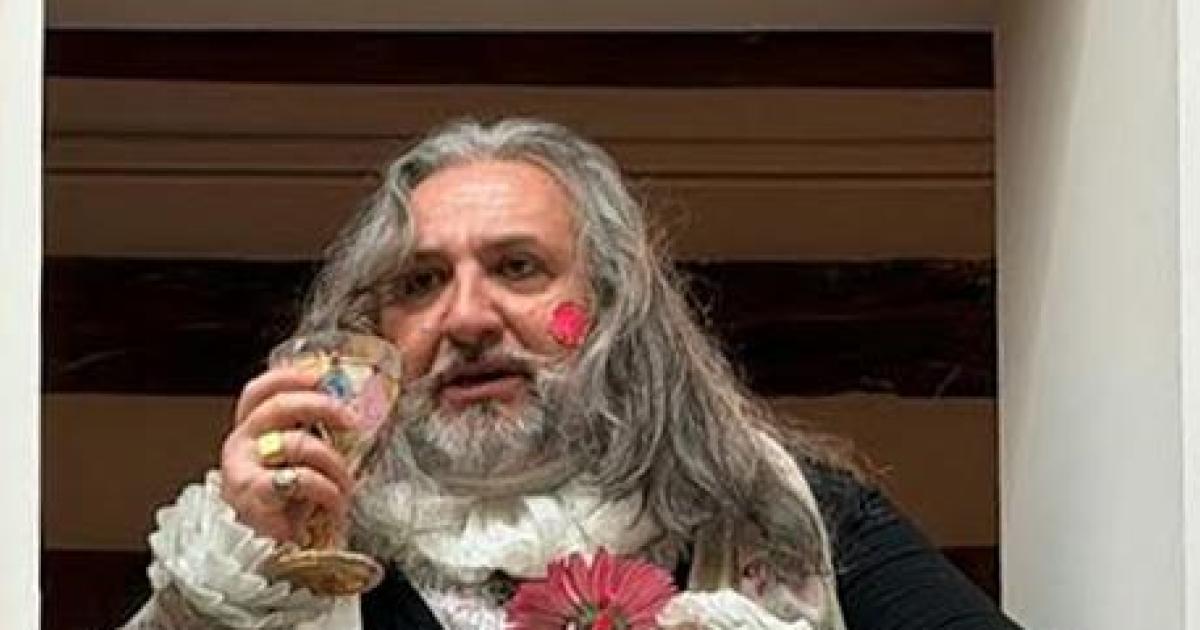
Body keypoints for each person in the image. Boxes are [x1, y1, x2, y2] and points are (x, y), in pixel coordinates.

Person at [121, 118, 1021, 630]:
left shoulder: (778, 506)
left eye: (518, 268)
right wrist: (246, 565)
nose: (467, 319)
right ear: (374, 330)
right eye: (419, 282)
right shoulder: (281, 541)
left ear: (613, 305)